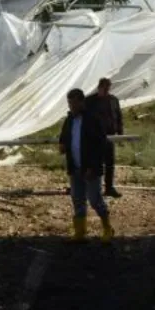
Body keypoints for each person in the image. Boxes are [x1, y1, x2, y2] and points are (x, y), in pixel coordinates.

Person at [58, 89, 114, 243]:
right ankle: (80, 231)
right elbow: (63, 137)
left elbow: (100, 145)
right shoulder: (69, 120)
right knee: (77, 198)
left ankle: (107, 227)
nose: (72, 106)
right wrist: (62, 145)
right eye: (69, 103)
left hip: (90, 168)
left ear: (82, 102)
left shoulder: (93, 119)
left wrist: (93, 166)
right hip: (75, 166)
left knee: (95, 199)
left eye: (74, 103)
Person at [85, 78, 124, 197]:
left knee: (110, 163)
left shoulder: (113, 100)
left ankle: (109, 188)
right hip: (95, 138)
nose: (106, 91)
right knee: (95, 163)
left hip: (110, 137)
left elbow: (118, 117)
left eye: (108, 88)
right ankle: (92, 188)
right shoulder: (90, 101)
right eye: (104, 88)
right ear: (99, 87)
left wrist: (120, 134)